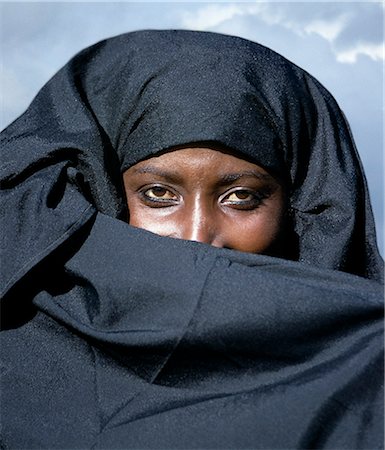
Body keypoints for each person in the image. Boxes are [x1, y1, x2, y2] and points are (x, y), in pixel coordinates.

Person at [0, 29, 383, 449]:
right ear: (97, 190)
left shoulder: (367, 370)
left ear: (298, 206)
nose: (197, 237)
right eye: (159, 195)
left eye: (242, 197)